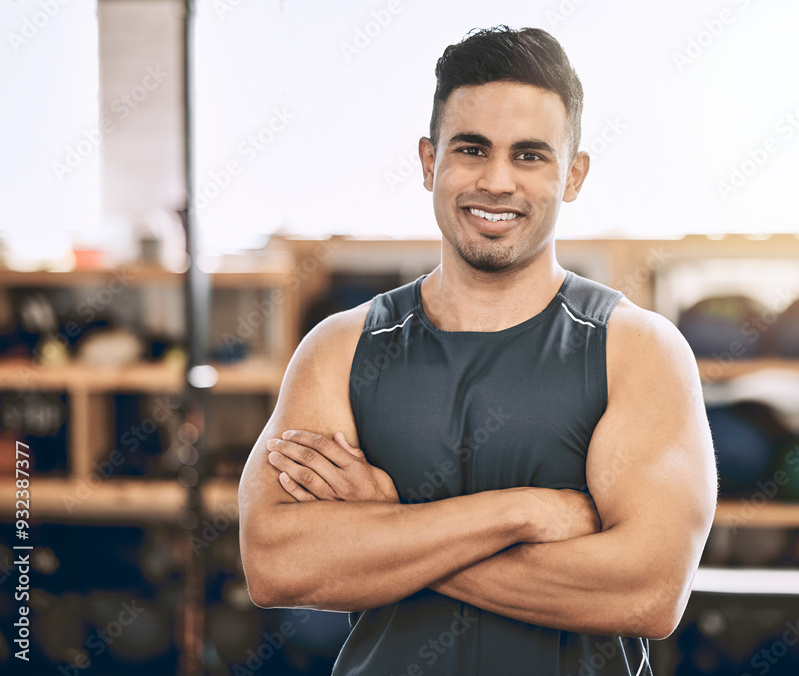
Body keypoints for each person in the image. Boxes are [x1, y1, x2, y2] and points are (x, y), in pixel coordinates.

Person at [238, 25, 717, 675]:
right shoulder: (343, 349)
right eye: (471, 149)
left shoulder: (635, 350)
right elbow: (277, 564)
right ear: (429, 161)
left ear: (572, 175)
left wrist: (388, 527)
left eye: (529, 156)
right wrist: (527, 512)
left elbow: (647, 592)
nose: (497, 181)